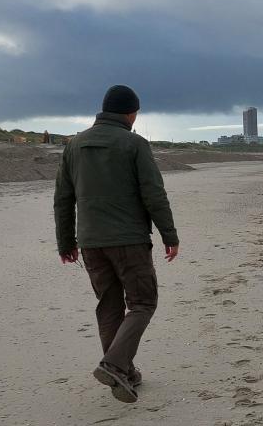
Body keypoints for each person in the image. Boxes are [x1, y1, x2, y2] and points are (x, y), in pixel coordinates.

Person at [54, 84, 179, 403]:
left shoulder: (74, 145)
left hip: (91, 242)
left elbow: (63, 199)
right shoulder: (134, 143)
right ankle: (113, 364)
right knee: (142, 303)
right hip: (129, 240)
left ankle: (124, 372)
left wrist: (65, 241)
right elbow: (153, 193)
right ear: (131, 112)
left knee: (108, 305)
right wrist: (169, 235)